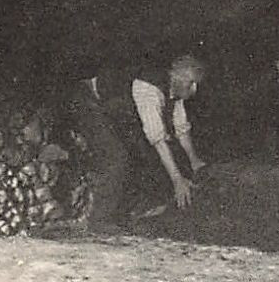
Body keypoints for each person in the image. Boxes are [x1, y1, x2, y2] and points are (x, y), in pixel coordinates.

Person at [66, 54, 209, 226]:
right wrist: (177, 180)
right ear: (177, 77)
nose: (194, 90)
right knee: (116, 157)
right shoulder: (149, 89)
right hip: (87, 101)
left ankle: (128, 214)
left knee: (143, 156)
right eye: (191, 83)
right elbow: (157, 139)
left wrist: (195, 163)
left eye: (197, 85)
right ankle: (96, 222)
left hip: (113, 112)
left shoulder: (175, 92)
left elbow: (181, 129)